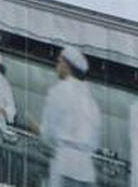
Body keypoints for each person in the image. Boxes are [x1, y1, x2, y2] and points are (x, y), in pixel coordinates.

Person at [39, 46, 102, 187]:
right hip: (87, 172)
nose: (57, 66)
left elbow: (48, 135)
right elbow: (95, 142)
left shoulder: (57, 92)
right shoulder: (92, 101)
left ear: (66, 66)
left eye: (59, 62)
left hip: (65, 168)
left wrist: (42, 132)